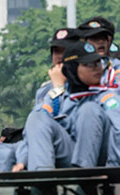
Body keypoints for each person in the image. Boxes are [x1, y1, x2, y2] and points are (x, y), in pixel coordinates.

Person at [22, 41, 114, 171]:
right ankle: (42, 177)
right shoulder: (58, 94)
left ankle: (84, 178)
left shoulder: (107, 96)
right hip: (70, 155)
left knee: (89, 109)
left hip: (100, 161)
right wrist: (22, 159)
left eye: (98, 62)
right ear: (72, 68)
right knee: (37, 117)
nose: (96, 68)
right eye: (88, 64)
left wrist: (114, 170)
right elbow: (34, 131)